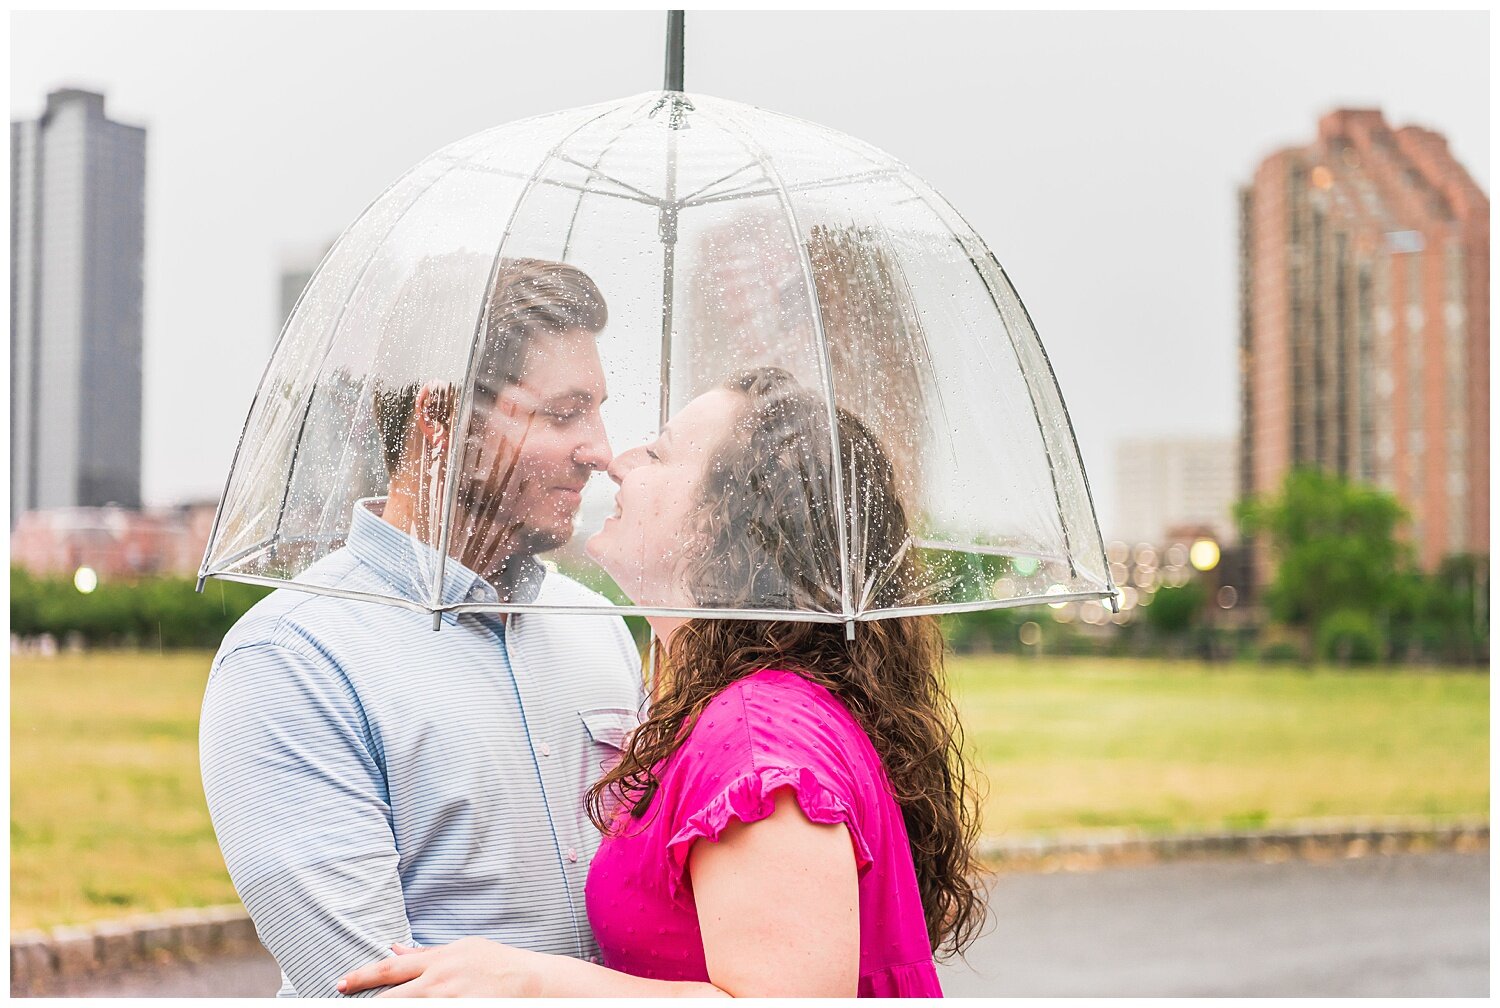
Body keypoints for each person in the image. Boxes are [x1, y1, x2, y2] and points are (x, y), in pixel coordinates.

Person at [338, 367, 985, 998]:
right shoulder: (740, 711)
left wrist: (530, 982)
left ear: (729, 519)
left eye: (659, 453)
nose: (617, 461)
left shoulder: (757, 737)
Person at [200, 258, 644, 998]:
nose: (599, 449)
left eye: (597, 410)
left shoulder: (599, 629)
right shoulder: (293, 658)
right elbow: (373, 987)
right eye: (563, 414)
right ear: (439, 419)